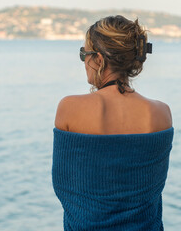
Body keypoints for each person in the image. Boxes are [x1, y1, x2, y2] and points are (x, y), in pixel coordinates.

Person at [52, 15, 174, 230]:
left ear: (98, 59)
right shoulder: (161, 113)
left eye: (84, 54)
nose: (84, 62)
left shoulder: (69, 109)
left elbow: (67, 189)